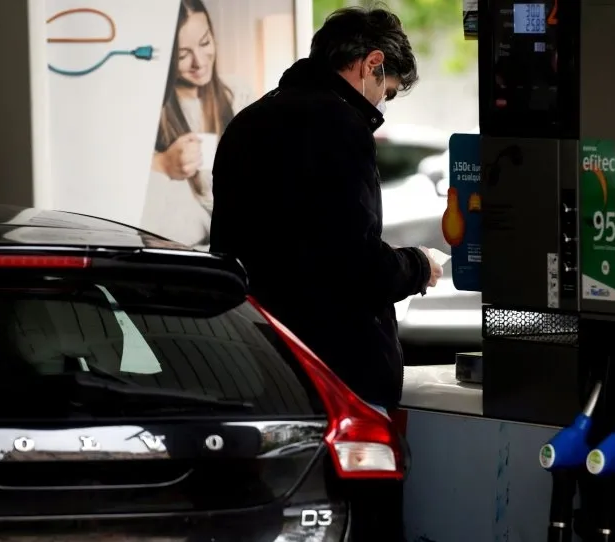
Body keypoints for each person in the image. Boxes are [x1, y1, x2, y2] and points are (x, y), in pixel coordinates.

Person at [210, 8, 442, 539]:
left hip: (261, 362)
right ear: (371, 63)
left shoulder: (250, 121)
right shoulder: (340, 126)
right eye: (388, 89)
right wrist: (418, 265)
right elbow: (352, 262)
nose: (382, 102)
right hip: (339, 374)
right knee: (359, 520)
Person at [142, 0, 236, 249]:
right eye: (183, 55)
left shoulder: (237, 94)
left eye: (205, 42)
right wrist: (162, 164)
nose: (199, 62)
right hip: (182, 251)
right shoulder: (151, 112)